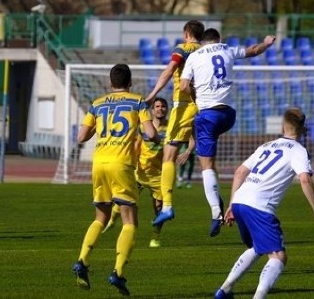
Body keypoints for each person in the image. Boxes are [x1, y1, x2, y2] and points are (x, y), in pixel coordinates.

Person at [214, 108, 314, 299]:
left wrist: (232, 205)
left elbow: (240, 172)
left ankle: (224, 290)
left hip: (240, 201)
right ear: (302, 128)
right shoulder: (299, 151)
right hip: (259, 206)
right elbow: (305, 180)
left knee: (258, 248)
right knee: (278, 256)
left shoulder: (266, 145)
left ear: (283, 126)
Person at [179, 28, 276, 236]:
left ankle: (216, 211)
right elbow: (252, 50)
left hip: (207, 116)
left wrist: (196, 94)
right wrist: (267, 43)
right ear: (218, 40)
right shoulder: (228, 50)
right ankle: (216, 197)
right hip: (228, 115)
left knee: (206, 165)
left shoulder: (194, 56)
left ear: (202, 42)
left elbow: (183, 85)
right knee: (209, 149)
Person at [72, 64, 157, 296]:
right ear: (130, 83)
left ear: (111, 83)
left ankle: (82, 260)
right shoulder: (138, 101)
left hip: (98, 163)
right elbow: (150, 134)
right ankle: (118, 273)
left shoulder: (97, 103)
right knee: (130, 221)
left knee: (101, 216)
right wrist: (155, 136)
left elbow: (81, 137)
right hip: (121, 164)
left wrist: (96, 130)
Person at [145, 20, 205, 228]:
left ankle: (167, 206)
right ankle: (217, 211)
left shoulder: (182, 48)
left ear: (186, 33)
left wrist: (152, 95)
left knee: (168, 157)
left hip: (184, 105)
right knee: (207, 160)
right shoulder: (207, 51)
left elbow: (169, 71)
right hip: (204, 105)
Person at [104, 97, 172, 247]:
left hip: (159, 175)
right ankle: (112, 220)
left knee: (160, 209)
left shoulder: (170, 128)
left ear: (167, 109)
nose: (160, 109)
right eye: (157, 106)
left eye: (163, 106)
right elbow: (136, 144)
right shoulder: (144, 127)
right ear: (152, 110)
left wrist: (187, 151)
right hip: (140, 171)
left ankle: (155, 237)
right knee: (123, 196)